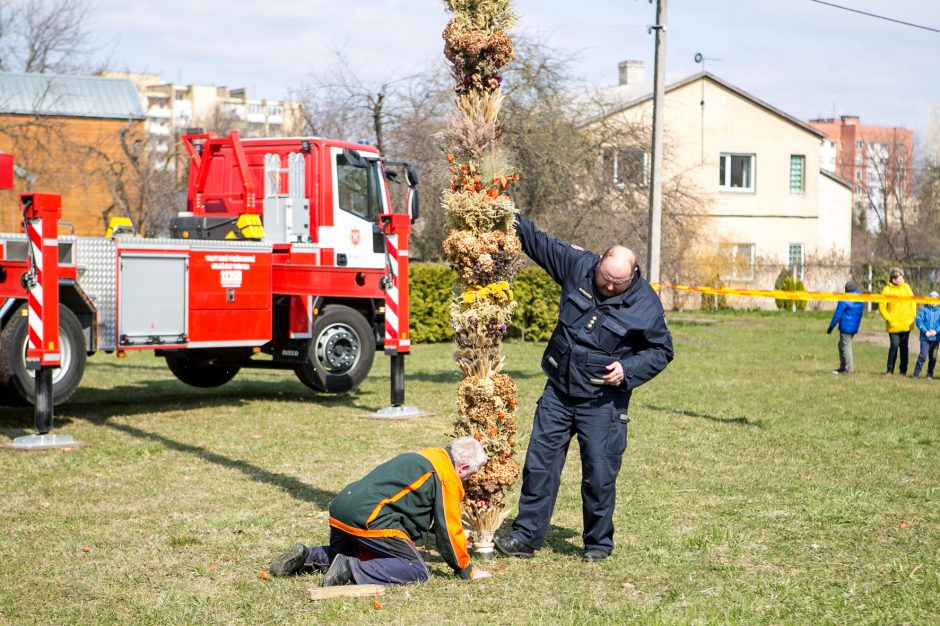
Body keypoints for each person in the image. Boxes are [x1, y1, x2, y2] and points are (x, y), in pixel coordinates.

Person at [494, 214, 674, 563]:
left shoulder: (645, 305)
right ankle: (526, 536)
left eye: (616, 284)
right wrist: (503, 211)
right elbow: (538, 242)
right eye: (605, 279)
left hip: (602, 401)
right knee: (539, 465)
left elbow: (662, 350)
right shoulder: (578, 265)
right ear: (599, 264)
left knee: (599, 474)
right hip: (559, 390)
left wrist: (627, 369)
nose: (608, 288)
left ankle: (597, 545)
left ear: (633, 276)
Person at [269, 436, 491, 586]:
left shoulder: (427, 456)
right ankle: (349, 569)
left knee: (360, 552)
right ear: (462, 467)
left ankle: (307, 556)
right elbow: (449, 531)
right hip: (367, 518)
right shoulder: (447, 477)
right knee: (415, 569)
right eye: (470, 475)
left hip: (341, 511)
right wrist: (465, 571)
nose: (467, 481)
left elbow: (411, 508)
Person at [878, 268, 916, 376]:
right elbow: (882, 307)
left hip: (906, 324)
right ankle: (889, 370)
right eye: (900, 277)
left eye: (902, 276)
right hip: (893, 325)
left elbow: (913, 302)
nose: (903, 279)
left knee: (904, 347)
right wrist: (888, 318)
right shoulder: (887, 290)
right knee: (894, 345)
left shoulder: (907, 288)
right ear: (894, 279)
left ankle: (903, 371)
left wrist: (912, 315)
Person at [827, 280, 864, 375]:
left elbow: (837, 315)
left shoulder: (845, 298)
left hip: (846, 327)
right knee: (841, 345)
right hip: (855, 326)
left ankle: (848, 369)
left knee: (846, 346)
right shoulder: (860, 297)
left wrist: (831, 327)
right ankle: (843, 367)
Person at [912, 290, 940, 380]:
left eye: (934, 300)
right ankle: (916, 374)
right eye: (931, 299)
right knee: (923, 355)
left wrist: (936, 331)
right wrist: (925, 331)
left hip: (936, 338)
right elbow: (918, 320)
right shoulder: (924, 310)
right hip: (925, 338)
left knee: (933, 357)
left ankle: (929, 374)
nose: (932, 302)